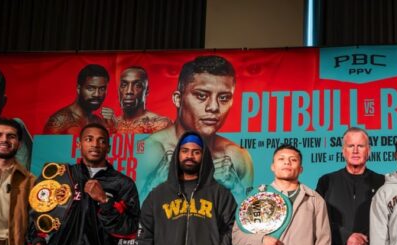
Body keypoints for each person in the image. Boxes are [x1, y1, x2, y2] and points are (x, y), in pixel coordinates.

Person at [140, 55, 253, 199]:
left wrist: (236, 188)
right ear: (178, 99)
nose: (214, 107)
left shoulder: (236, 157)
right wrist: (154, 184)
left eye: (223, 98)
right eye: (201, 96)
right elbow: (136, 210)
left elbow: (247, 212)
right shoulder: (151, 150)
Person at [44, 64, 114, 135]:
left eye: (102, 89)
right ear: (78, 88)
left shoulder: (98, 121)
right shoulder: (59, 121)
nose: (97, 94)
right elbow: (46, 142)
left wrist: (110, 127)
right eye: (90, 88)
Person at [114, 67, 171, 134]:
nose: (129, 91)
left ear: (146, 90)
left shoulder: (160, 124)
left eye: (137, 86)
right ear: (118, 90)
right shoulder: (112, 126)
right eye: (124, 85)